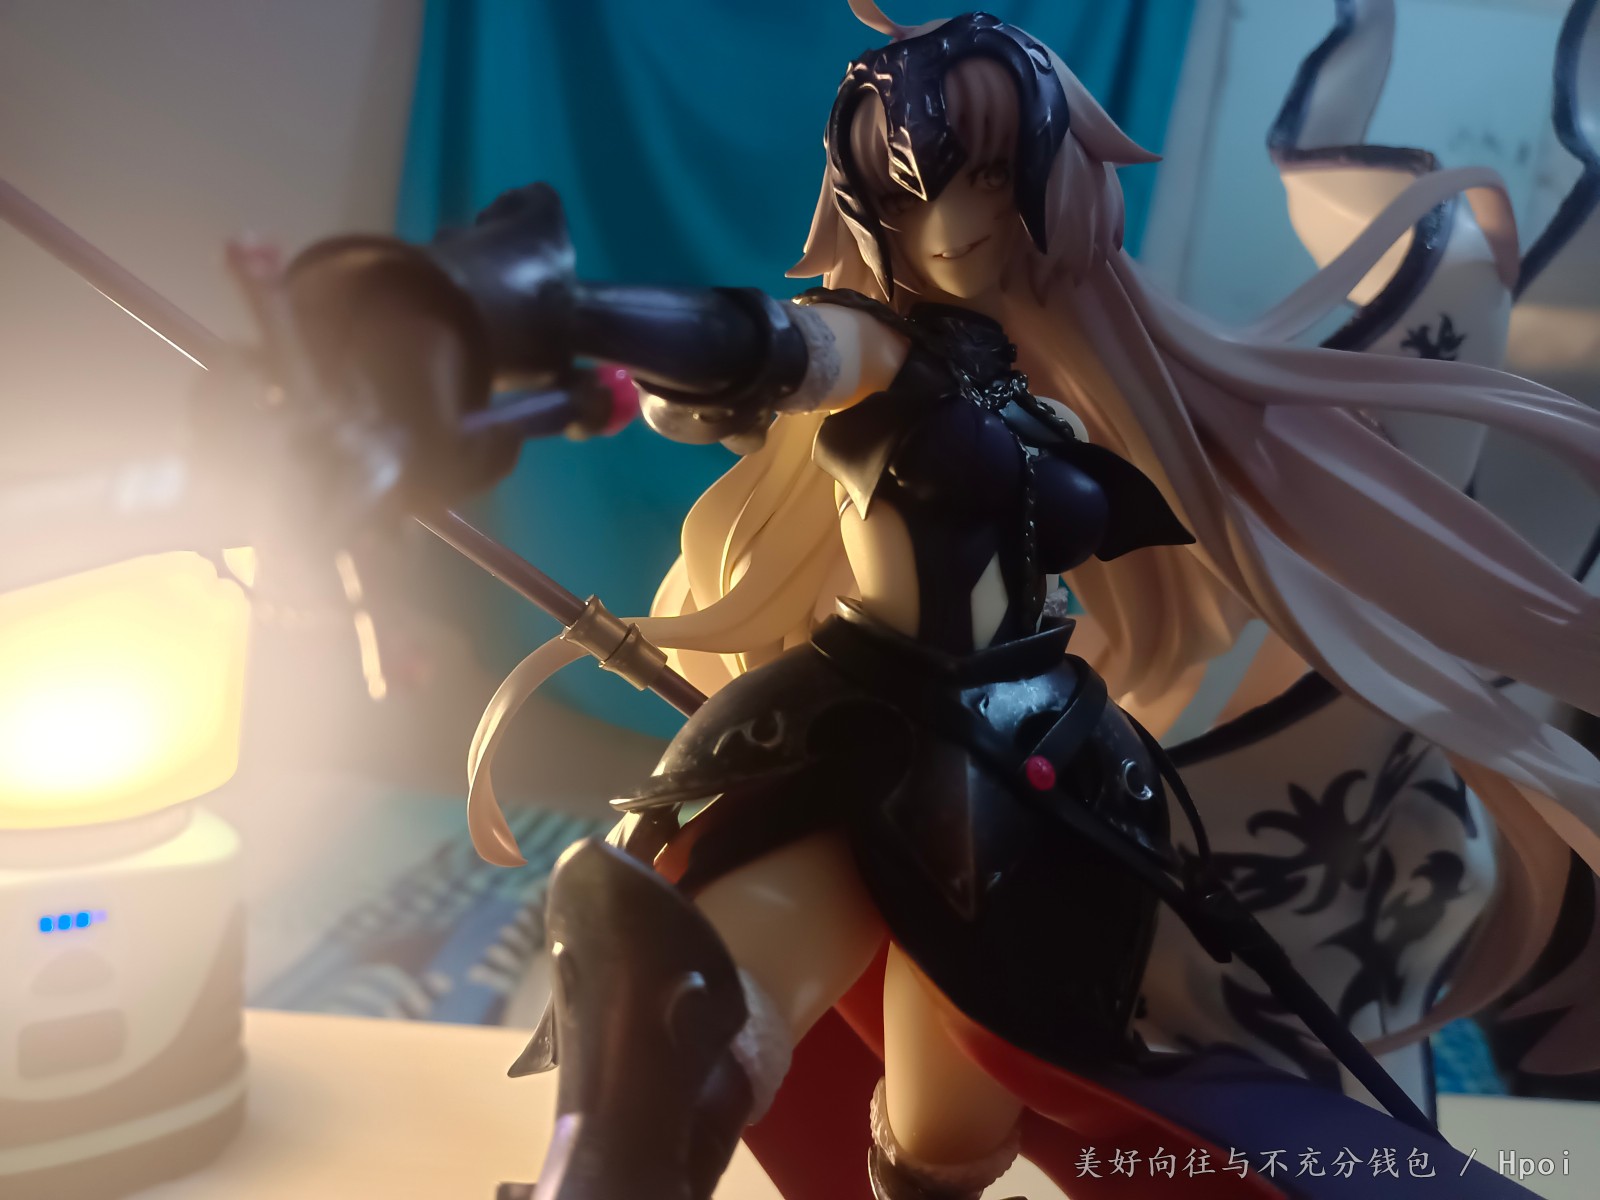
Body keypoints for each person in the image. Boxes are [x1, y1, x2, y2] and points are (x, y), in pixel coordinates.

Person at [285, 7, 1600, 1198]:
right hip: (869, 726)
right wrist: (556, 313)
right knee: (697, 984)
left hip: (1044, 761)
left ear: (1050, 188)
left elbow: (1209, 516)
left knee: (949, 1122)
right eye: (910, 190)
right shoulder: (883, 351)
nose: (955, 219)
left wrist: (1341, 519)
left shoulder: (1076, 405)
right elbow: (769, 345)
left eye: (983, 176)